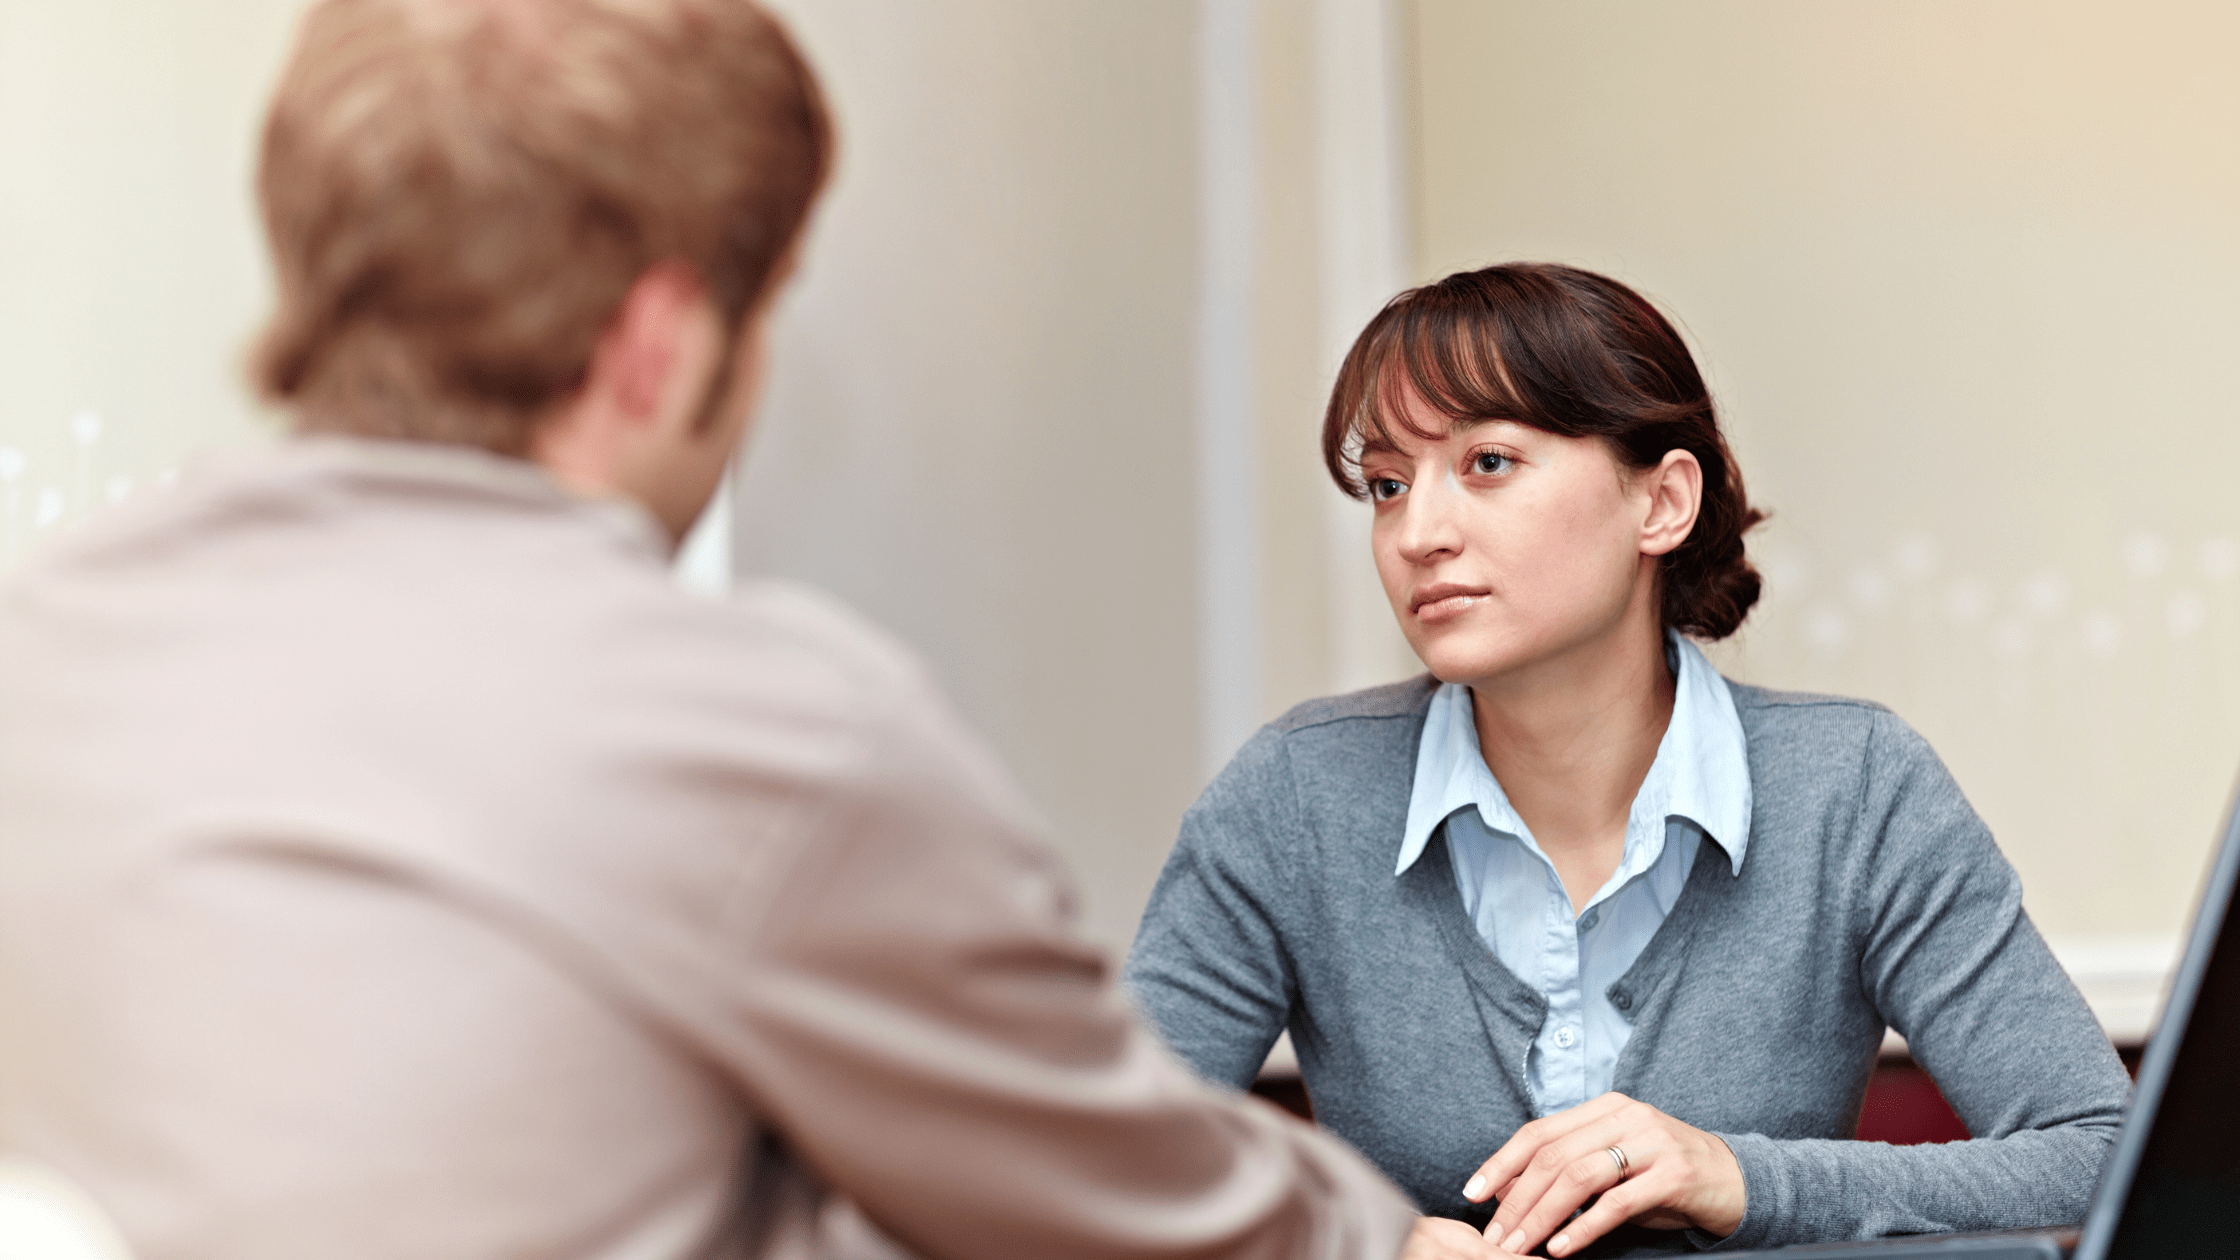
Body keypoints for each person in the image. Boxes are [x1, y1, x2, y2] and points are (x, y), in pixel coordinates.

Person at [0, 2, 1495, 1257]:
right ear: (659, 345)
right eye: (763, 308)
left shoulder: (45, 639)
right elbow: (1166, 1214)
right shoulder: (753, 731)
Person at [1122, 263, 2134, 1257]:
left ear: (1660, 503)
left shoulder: (1854, 786)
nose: (1416, 534)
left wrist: (1733, 1176)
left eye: (1486, 464)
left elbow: (2095, 1156)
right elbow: (1102, 1163)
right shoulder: (1295, 796)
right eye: (1387, 485)